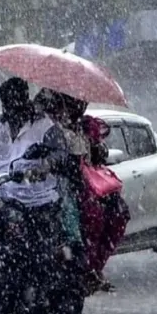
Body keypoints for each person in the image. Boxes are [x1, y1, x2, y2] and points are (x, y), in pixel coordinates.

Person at [0, 77, 75, 314]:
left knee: (33, 253)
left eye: (15, 102)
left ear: (23, 99)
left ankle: (35, 297)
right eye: (6, 103)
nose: (11, 108)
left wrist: (44, 166)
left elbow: (61, 154)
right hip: (4, 196)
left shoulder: (44, 126)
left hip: (38, 199)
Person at [37, 89, 129, 294]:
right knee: (87, 217)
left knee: (116, 213)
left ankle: (93, 267)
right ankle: (84, 267)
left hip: (87, 184)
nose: (80, 106)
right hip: (60, 185)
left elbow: (96, 155)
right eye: (75, 102)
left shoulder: (85, 127)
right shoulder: (45, 127)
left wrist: (96, 148)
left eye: (82, 103)